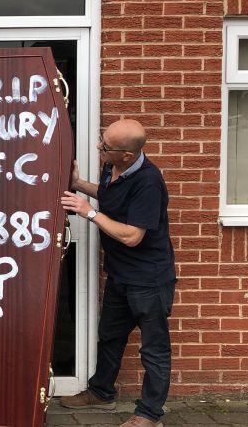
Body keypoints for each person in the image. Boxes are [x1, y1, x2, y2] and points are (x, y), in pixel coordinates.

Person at [59, 119, 176, 427]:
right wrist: (79, 183)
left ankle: (149, 415)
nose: (100, 147)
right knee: (109, 336)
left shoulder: (148, 182)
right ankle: (101, 392)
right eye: (102, 140)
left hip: (148, 279)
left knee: (154, 349)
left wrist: (88, 212)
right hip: (121, 275)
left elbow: (132, 236)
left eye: (106, 146)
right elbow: (109, 195)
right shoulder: (114, 168)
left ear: (128, 154)